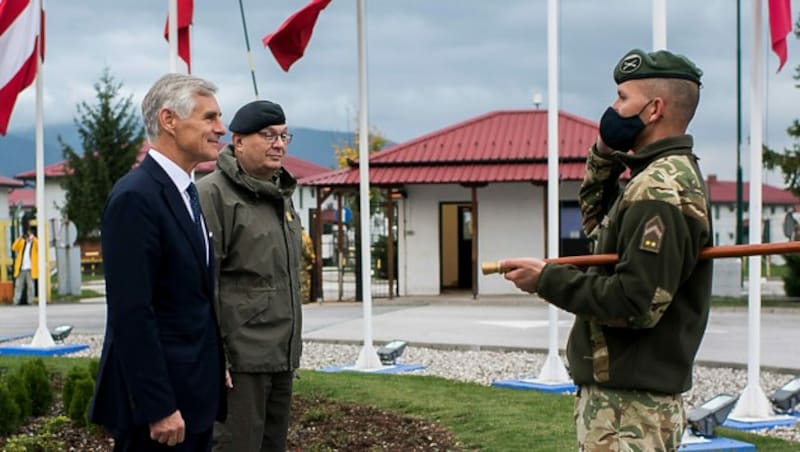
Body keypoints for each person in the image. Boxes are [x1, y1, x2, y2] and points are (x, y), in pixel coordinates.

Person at [502, 48, 712, 451]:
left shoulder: (659, 191)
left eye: (621, 97)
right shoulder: (650, 178)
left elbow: (635, 303)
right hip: (622, 403)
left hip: (630, 411)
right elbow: (599, 228)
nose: (613, 109)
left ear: (653, 109)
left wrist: (546, 280)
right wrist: (603, 155)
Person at [90, 73, 227, 452]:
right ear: (169, 120)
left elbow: (190, 295)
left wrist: (216, 368)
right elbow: (132, 312)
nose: (221, 129)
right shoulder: (136, 198)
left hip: (195, 398)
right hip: (162, 414)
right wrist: (159, 406)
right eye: (209, 118)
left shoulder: (186, 192)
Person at [197, 100, 303, 452]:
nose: (279, 144)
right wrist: (217, 358)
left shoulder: (280, 196)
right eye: (268, 135)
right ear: (238, 141)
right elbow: (204, 283)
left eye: (284, 135)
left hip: (281, 356)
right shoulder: (213, 194)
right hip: (240, 363)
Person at [11, 228, 38, 305]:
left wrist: (34, 239)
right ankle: (16, 301)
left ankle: (30, 301)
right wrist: (20, 238)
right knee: (18, 286)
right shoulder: (22, 243)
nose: (28, 237)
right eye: (27, 235)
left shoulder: (34, 243)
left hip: (30, 269)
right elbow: (14, 247)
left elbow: (39, 246)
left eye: (29, 235)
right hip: (21, 268)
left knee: (31, 286)